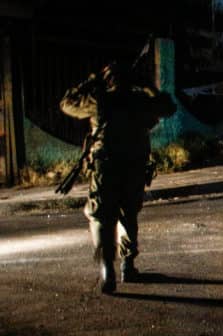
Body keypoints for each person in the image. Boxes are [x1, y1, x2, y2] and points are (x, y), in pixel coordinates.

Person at [60, 55, 177, 294]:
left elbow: (67, 103)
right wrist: (148, 85)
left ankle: (107, 268)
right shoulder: (140, 100)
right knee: (128, 214)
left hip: (105, 167)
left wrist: (91, 81)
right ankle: (127, 265)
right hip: (134, 166)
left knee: (102, 215)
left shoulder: (99, 100)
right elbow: (168, 107)